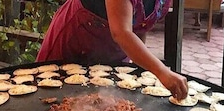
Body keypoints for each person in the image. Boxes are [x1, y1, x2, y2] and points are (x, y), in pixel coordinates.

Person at [36, 0, 188, 100]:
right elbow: (121, 32)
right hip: (78, 36)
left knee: (107, 100)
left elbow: (141, 24)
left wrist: (140, 66)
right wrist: (161, 71)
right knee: (47, 94)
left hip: (117, 45)